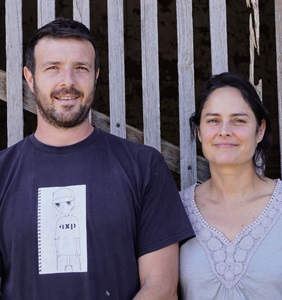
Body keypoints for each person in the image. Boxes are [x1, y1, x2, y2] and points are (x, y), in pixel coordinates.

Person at [0, 18, 194, 299]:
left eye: (81, 68)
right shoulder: (3, 172)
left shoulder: (143, 166)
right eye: (53, 68)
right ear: (30, 78)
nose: (68, 81)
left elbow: (161, 287)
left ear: (96, 76)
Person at [179, 72, 282, 299]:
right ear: (199, 131)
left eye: (239, 120)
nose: (224, 130)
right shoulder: (176, 210)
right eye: (213, 120)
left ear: (260, 130)